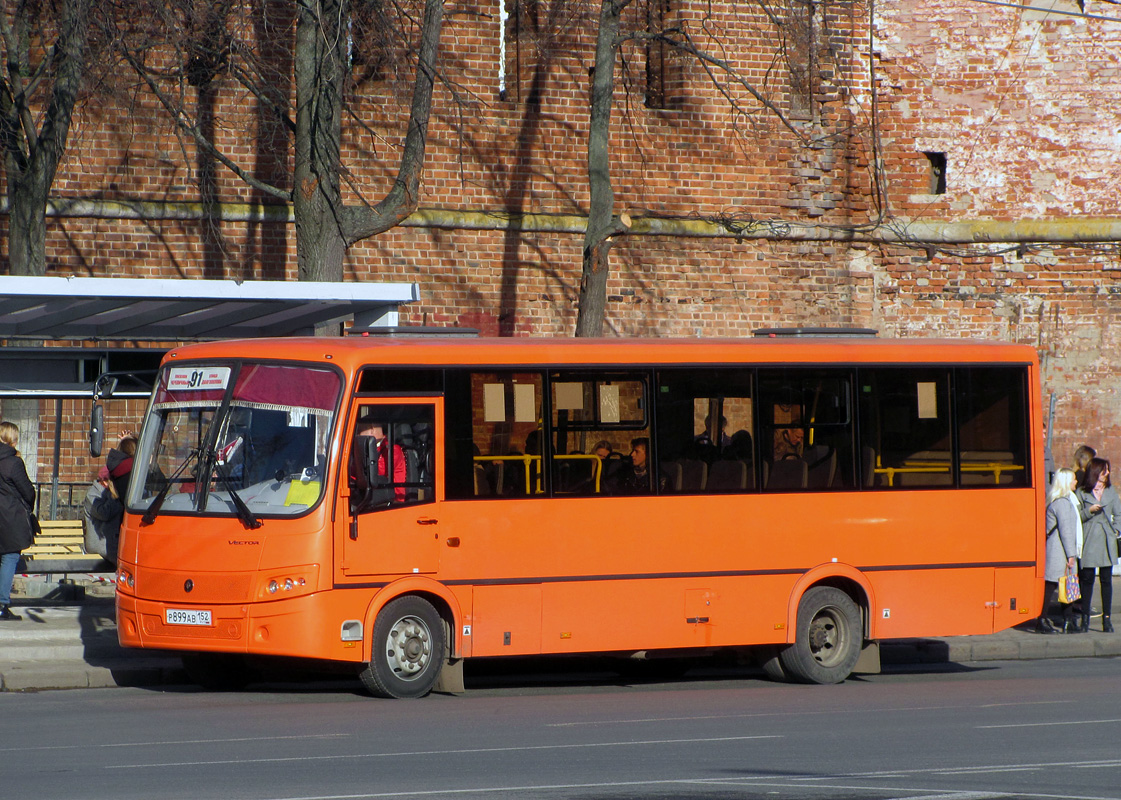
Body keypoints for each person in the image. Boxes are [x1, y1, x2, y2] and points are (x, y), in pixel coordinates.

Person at [1076, 457, 1120, 632]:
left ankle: (1107, 620)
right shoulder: (1082, 492)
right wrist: (1089, 511)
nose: (1107, 473)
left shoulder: (1111, 491)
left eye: (1108, 470)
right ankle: (1085, 619)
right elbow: (1076, 516)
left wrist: (1117, 530)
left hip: (1107, 539)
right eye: (1104, 470)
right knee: (1086, 580)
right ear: (1095, 472)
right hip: (1089, 538)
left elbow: (1119, 514)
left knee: (1106, 580)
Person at [1038, 468, 1082, 634]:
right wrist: (1071, 554)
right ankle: (1045, 619)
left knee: (1064, 586)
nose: (1076, 482)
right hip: (1060, 551)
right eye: (1073, 479)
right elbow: (1066, 531)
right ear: (1065, 482)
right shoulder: (1062, 503)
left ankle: (1065, 619)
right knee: (1056, 586)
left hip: (1058, 549)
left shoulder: (1057, 500)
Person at [0, 421, 36, 622]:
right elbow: (27, 491)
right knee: (10, 557)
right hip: (10, 516)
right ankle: (2, 604)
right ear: (12, 438)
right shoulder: (13, 462)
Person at [88, 432, 137, 564]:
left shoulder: (112, 492)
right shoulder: (93, 495)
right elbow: (105, 513)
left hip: (115, 544)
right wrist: (114, 496)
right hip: (102, 547)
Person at [351, 416, 406, 505]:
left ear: (371, 430)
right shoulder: (373, 449)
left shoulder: (392, 450)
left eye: (359, 432)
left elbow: (376, 471)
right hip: (375, 498)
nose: (358, 436)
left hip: (392, 502)